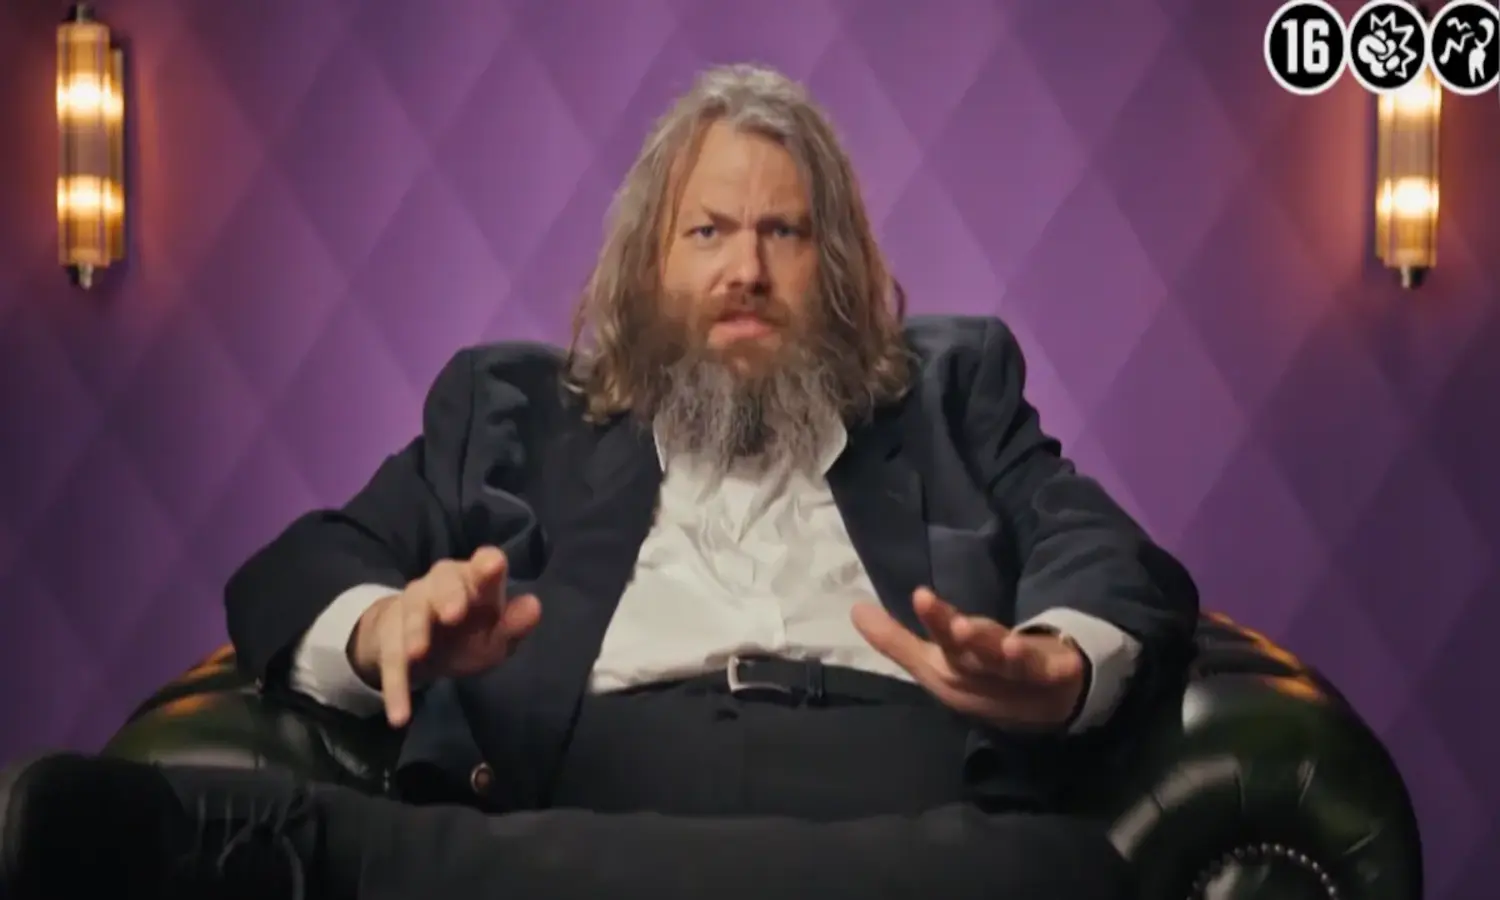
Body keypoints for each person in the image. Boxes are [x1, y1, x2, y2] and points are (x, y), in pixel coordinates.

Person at [0, 64, 1199, 900]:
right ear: (647, 268)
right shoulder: (511, 415)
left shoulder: (952, 395)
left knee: (1051, 877)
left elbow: (1104, 552)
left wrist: (1058, 661)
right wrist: (381, 628)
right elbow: (303, 563)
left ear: (835, 268)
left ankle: (326, 859)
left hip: (891, 795)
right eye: (708, 231)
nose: (746, 269)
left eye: (784, 233)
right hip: (603, 777)